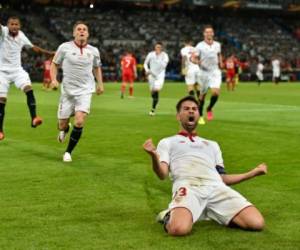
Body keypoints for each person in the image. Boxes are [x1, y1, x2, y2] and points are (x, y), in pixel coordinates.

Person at [143, 96, 267, 236]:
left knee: (257, 223)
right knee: (178, 229)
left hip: (216, 188)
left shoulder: (212, 145)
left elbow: (223, 179)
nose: (191, 111)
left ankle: (210, 212)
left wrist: (253, 173)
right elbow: (162, 174)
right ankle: (168, 216)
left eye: (194, 109)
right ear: (178, 116)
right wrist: (154, 156)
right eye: (186, 109)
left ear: (198, 115)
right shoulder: (168, 142)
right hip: (188, 187)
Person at [50, 21, 104, 162]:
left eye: (84, 29)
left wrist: (100, 84)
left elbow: (97, 67)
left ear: (88, 34)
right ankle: (65, 129)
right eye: (78, 29)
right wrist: (54, 79)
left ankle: (68, 152)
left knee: (79, 121)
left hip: (85, 90)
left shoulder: (94, 51)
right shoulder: (64, 47)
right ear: (74, 33)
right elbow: (54, 64)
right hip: (67, 92)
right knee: (61, 124)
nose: (81, 31)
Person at [0, 16, 53, 141]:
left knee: (29, 89)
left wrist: (49, 53)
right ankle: (0, 130)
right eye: (12, 24)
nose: (14, 26)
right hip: (2, 72)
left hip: (17, 70)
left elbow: (34, 48)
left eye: (16, 24)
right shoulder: (3, 32)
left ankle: (34, 118)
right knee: (1, 100)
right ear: (7, 25)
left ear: (20, 26)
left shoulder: (22, 35)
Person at [193, 25, 223, 124]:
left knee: (216, 92)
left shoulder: (217, 45)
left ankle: (209, 108)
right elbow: (193, 57)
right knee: (202, 96)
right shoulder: (199, 45)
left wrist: (221, 62)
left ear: (213, 33)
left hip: (215, 71)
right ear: (204, 34)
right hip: (204, 72)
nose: (209, 34)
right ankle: (200, 115)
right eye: (207, 32)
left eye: (211, 32)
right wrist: (196, 61)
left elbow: (219, 54)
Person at [144, 42, 169, 116]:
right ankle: (156, 101)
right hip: (151, 76)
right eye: (157, 47)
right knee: (152, 92)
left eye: (159, 47)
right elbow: (145, 63)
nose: (158, 48)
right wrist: (147, 71)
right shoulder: (150, 54)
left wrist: (152, 71)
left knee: (156, 90)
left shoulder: (165, 55)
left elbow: (163, 66)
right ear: (155, 47)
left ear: (162, 48)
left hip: (160, 76)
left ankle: (152, 110)